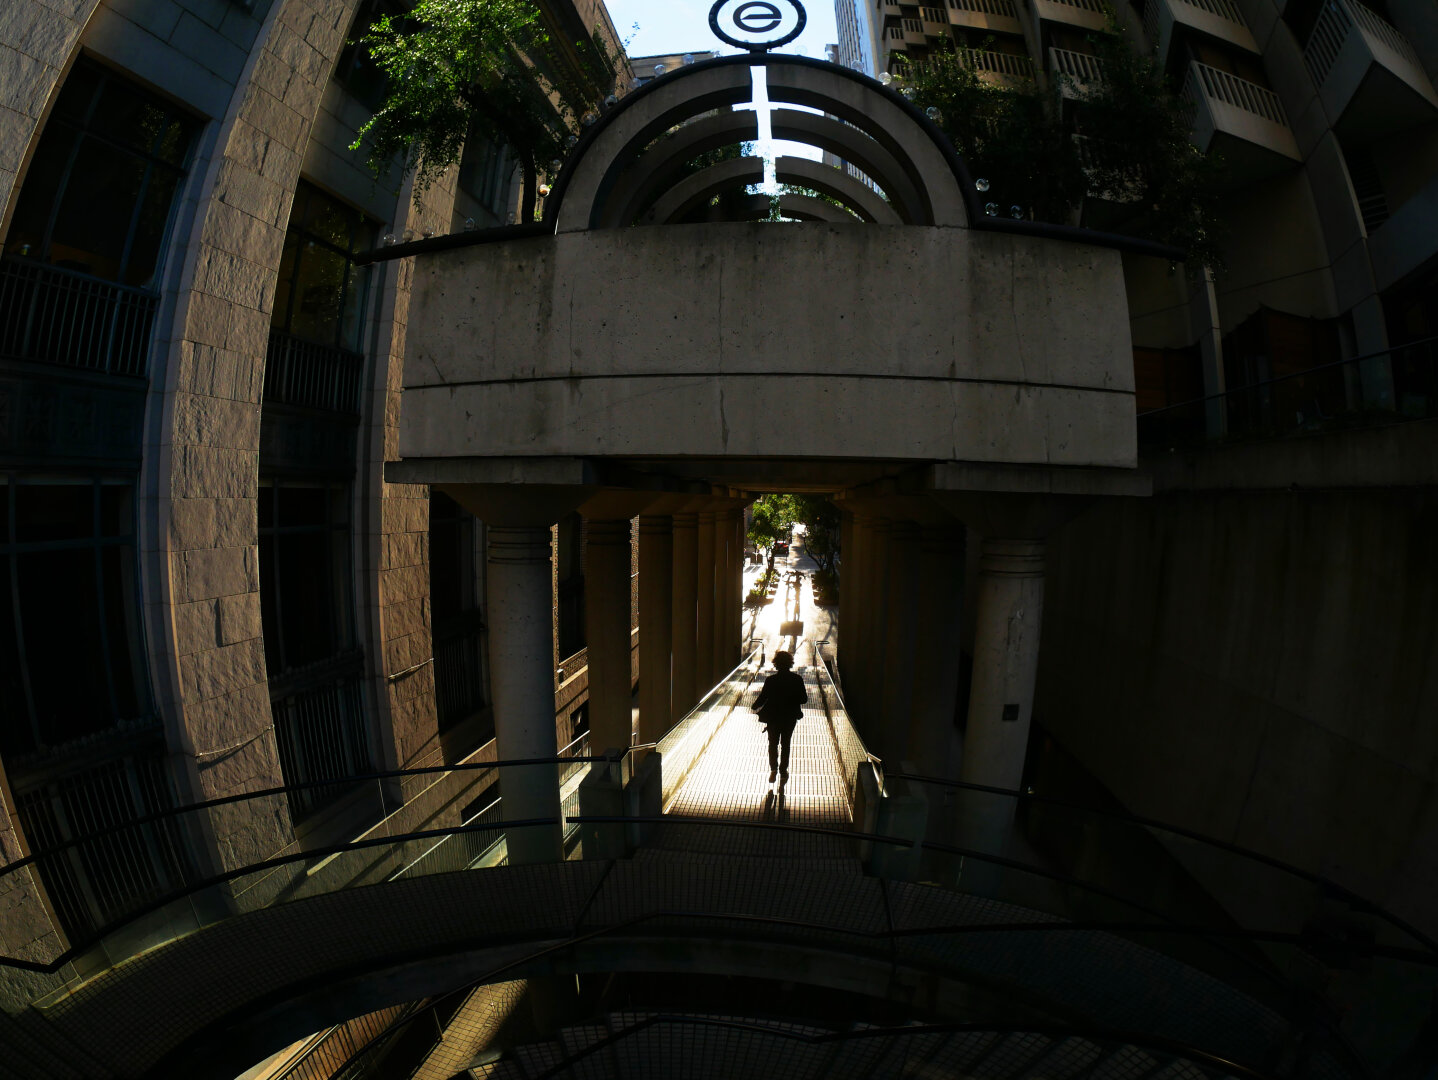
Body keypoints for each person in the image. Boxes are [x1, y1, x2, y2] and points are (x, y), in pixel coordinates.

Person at [751, 650, 807, 784]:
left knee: (773, 743)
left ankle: (773, 769)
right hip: (789, 717)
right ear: (790, 663)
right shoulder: (797, 679)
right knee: (785, 743)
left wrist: (754, 706)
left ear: (776, 664)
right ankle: (783, 771)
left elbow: (763, 697)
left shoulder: (771, 680)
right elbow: (804, 699)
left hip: (773, 718)